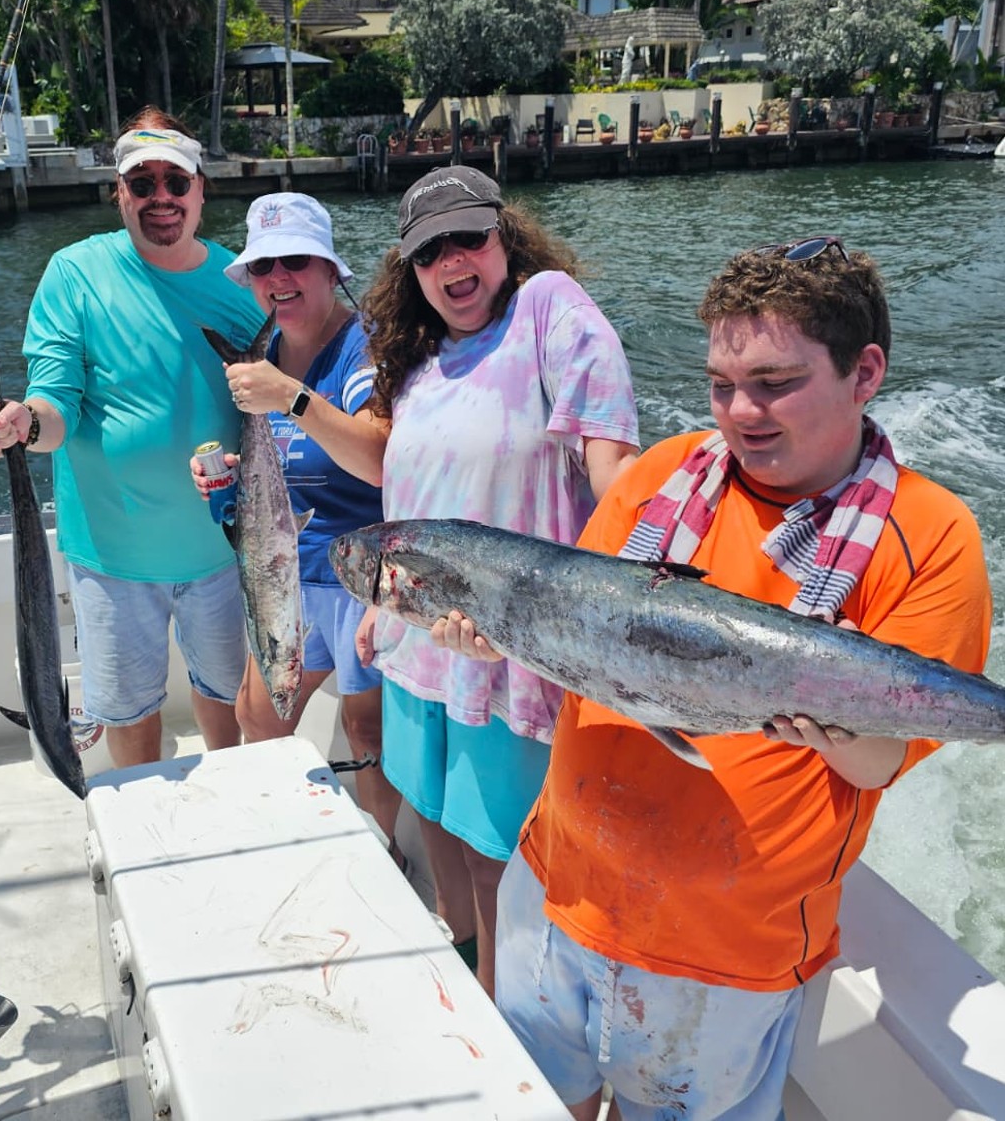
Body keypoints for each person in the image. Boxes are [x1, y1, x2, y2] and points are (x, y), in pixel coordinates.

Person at [472, 237, 993, 1120]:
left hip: (722, 962)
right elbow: (578, 642)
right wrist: (493, 630)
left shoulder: (930, 536)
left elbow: (878, 764)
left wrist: (833, 721)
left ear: (865, 372)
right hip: (555, 891)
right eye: (721, 385)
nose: (740, 412)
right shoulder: (662, 475)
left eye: (776, 383)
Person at [356, 166, 639, 995]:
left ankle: (498, 1013)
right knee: (431, 813)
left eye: (469, 238)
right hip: (419, 639)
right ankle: (459, 968)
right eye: (429, 251)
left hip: (511, 649)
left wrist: (651, 598)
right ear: (409, 269)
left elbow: (613, 466)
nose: (453, 262)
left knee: (496, 857)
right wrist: (383, 608)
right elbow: (410, 488)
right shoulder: (415, 360)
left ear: (503, 238)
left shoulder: (549, 308)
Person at [0, 107, 264, 768]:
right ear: (119, 193)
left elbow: (278, 396)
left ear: (200, 190)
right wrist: (25, 424)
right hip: (110, 557)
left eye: (175, 182)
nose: (161, 197)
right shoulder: (74, 274)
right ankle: (147, 833)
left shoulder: (243, 284)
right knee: (130, 714)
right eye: (143, 183)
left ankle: (232, 802)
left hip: (223, 549)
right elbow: (56, 399)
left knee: (229, 699)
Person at [193, 192, 403, 856]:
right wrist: (225, 477)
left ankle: (383, 850)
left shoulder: (366, 347)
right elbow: (281, 461)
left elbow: (376, 458)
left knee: (365, 728)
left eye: (296, 262)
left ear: (328, 269)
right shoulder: (267, 357)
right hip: (284, 566)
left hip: (361, 572)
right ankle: (278, 841)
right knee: (258, 713)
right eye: (263, 268)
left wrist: (289, 394)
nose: (278, 279)